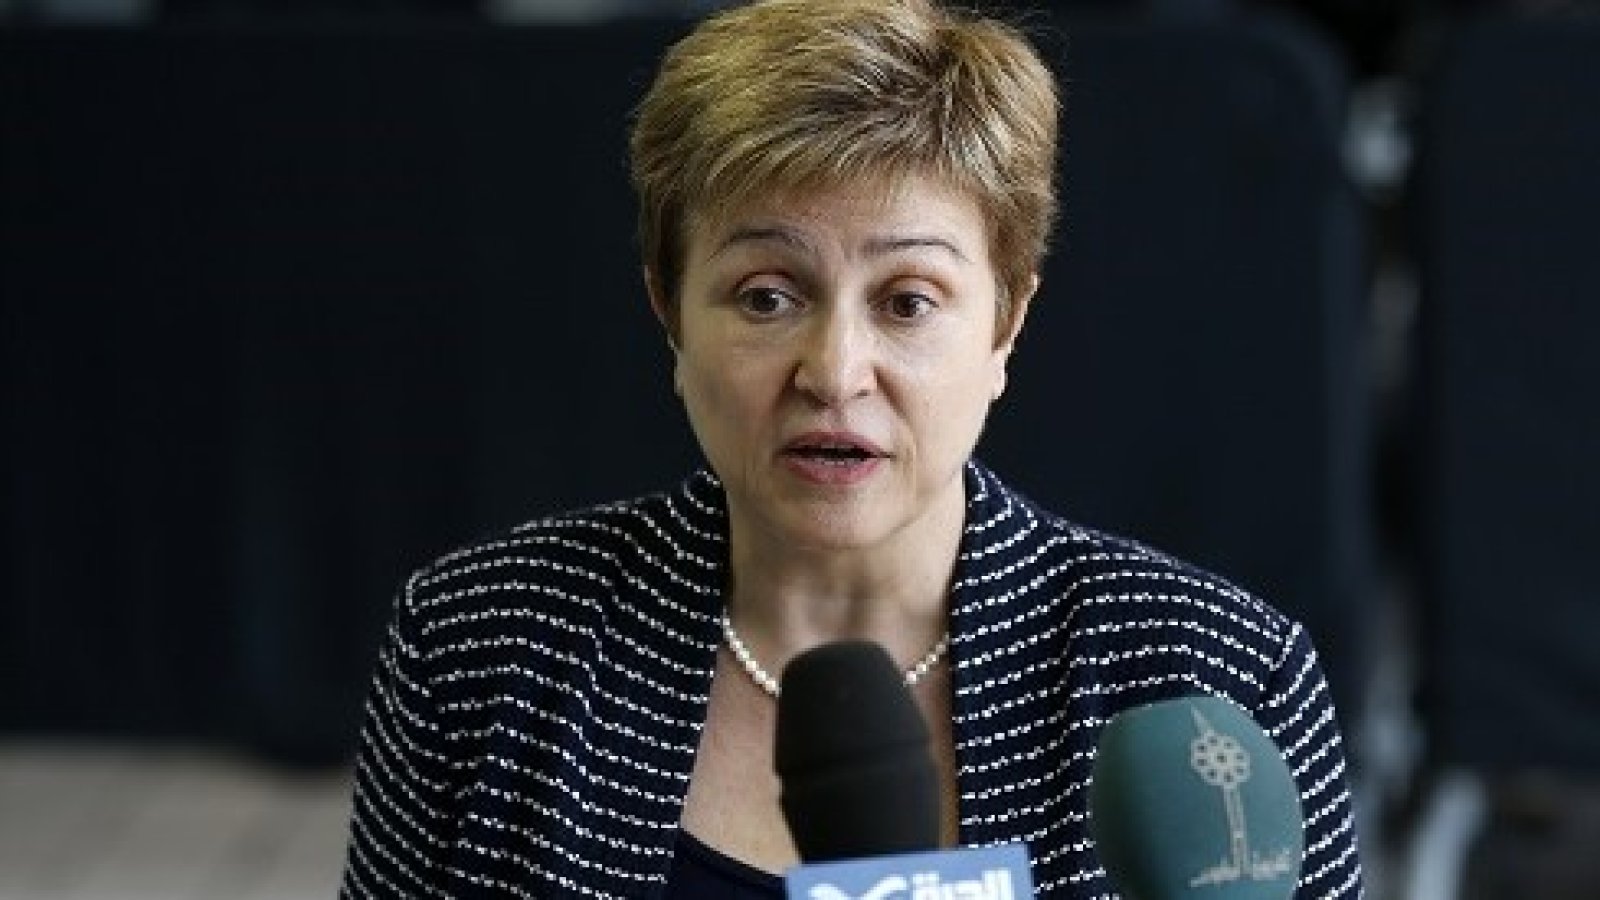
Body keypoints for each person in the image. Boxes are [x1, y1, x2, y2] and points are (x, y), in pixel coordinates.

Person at [336, 0, 1365, 897]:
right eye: (766, 297)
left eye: (907, 301)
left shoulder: (1214, 680)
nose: (834, 372)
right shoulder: (478, 649)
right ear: (670, 314)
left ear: (1004, 326)